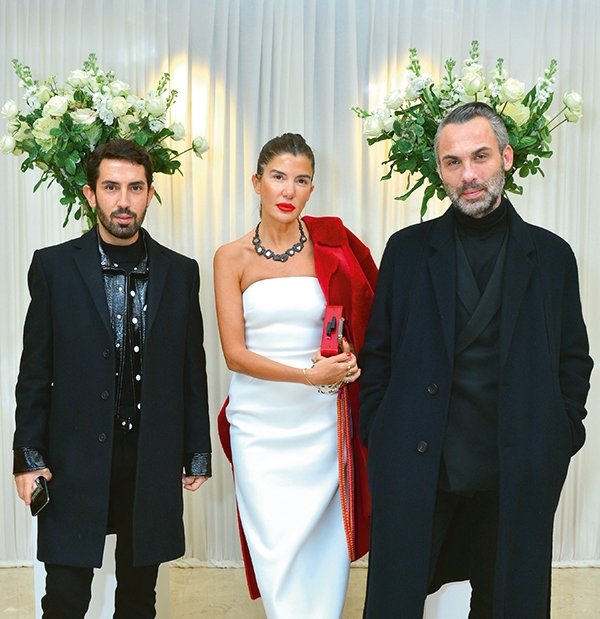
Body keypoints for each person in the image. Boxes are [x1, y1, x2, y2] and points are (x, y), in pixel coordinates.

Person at [359, 102, 593, 618]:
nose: (468, 174)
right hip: (418, 463)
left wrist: (561, 433)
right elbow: (379, 354)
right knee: (395, 603)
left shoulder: (552, 256)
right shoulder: (407, 251)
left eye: (480, 156)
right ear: (440, 170)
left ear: (506, 158)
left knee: (509, 604)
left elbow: (573, 359)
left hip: (517, 467)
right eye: (453, 162)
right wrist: (379, 428)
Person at [13, 138, 211, 619]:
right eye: (111, 187)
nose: (124, 200)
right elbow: (35, 372)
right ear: (90, 194)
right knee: (64, 597)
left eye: (135, 188)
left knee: (140, 599)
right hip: (73, 457)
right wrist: (28, 457)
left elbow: (192, 369)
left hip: (150, 458)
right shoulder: (54, 267)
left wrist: (196, 451)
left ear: (150, 193)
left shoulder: (181, 272)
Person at [214, 133, 377, 618]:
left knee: (326, 551)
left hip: (321, 423)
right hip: (260, 425)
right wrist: (308, 376)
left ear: (311, 188)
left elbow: (359, 321)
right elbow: (235, 355)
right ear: (256, 182)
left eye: (301, 180)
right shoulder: (231, 257)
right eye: (278, 177)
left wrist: (348, 357)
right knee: (277, 553)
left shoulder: (333, 245)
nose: (288, 190)